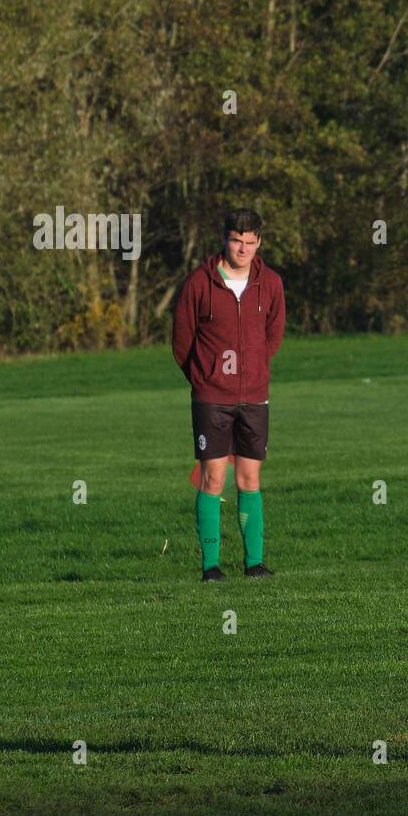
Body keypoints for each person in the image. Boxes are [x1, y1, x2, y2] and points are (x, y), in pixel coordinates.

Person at [172, 208, 286, 581]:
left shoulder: (270, 283)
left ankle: (254, 563)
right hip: (212, 398)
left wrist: (254, 371)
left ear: (259, 242)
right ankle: (211, 567)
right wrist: (204, 379)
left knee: (250, 479)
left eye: (250, 242)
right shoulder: (198, 283)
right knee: (212, 479)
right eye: (236, 240)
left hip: (254, 397)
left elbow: (273, 335)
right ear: (224, 238)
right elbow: (182, 341)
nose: (243, 248)